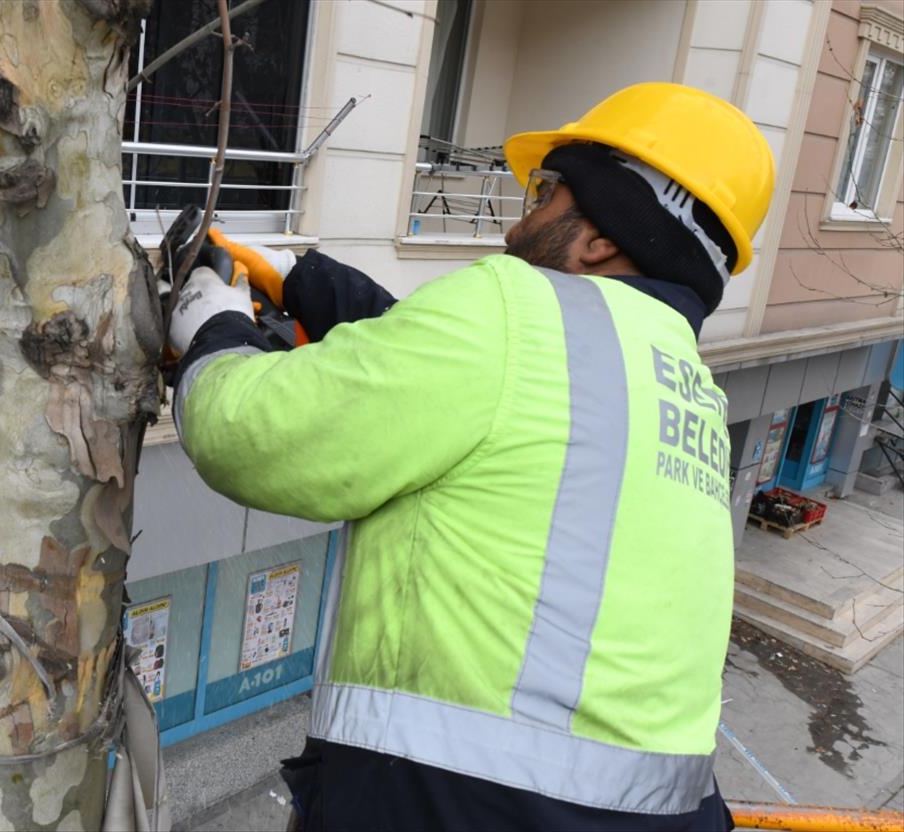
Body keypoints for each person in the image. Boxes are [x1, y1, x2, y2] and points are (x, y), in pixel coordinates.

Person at [165, 82, 774, 831]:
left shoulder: (511, 310)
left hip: (464, 810)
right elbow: (457, 387)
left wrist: (214, 331)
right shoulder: (684, 386)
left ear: (603, 237)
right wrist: (303, 280)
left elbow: (249, 434)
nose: (519, 226)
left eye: (546, 193)